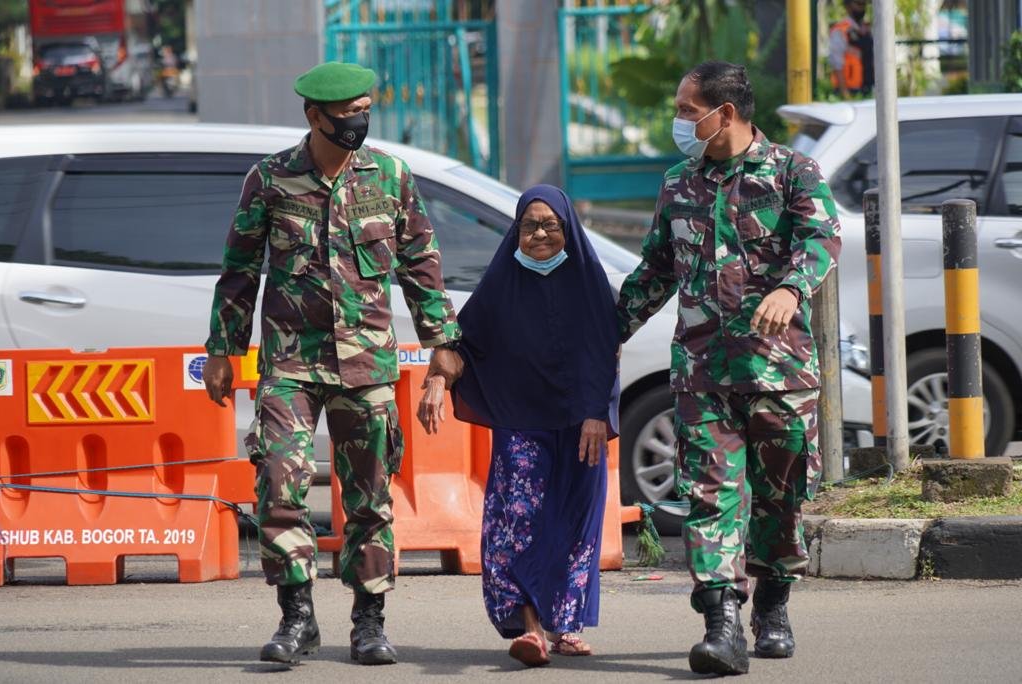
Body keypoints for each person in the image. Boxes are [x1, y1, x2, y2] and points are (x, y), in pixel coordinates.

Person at [201, 61, 462, 666]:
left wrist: (443, 342)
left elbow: (421, 265)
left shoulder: (390, 176)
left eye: (366, 110)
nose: (359, 123)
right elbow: (239, 270)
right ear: (315, 116)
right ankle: (297, 619)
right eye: (347, 115)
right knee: (279, 485)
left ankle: (369, 620)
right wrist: (223, 349)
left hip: (367, 363)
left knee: (370, 496)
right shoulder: (269, 180)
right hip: (290, 363)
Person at [616, 61, 841, 676]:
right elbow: (655, 271)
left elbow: (822, 238)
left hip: (779, 373)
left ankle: (772, 603)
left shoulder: (794, 171)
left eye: (689, 110)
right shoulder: (679, 183)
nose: (680, 122)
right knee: (710, 495)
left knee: (781, 496)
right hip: (702, 373)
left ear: (727, 113)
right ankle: (722, 624)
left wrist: (791, 289)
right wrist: (605, 332)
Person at [416, 184, 620, 668]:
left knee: (576, 525)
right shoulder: (501, 283)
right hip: (522, 424)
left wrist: (596, 412)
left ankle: (563, 625)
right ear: (516, 231)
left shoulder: (590, 284)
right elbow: (463, 344)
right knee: (518, 522)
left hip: (580, 424)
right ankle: (529, 626)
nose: (540, 234)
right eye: (530, 225)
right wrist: (438, 380)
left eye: (551, 225)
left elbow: (604, 352)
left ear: (568, 228)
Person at [829, 0, 873, 99]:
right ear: (847, 6)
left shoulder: (868, 30)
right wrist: (846, 95)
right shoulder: (840, 30)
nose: (862, 8)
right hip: (849, 92)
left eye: (864, 4)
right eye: (858, 4)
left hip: (867, 90)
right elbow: (837, 64)